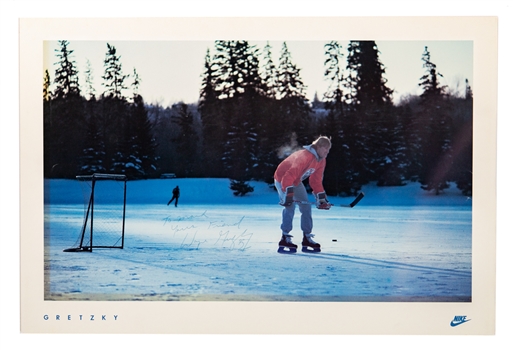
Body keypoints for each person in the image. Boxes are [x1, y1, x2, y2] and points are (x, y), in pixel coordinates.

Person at [274, 136, 331, 252]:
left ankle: (307, 238)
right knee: (289, 206)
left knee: (306, 206)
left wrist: (321, 199)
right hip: (282, 179)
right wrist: (288, 194)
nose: (327, 152)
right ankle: (285, 237)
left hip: (295, 181)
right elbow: (288, 175)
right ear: (318, 147)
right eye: (325, 149)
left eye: (328, 150)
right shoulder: (305, 156)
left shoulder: (321, 160)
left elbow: (316, 181)